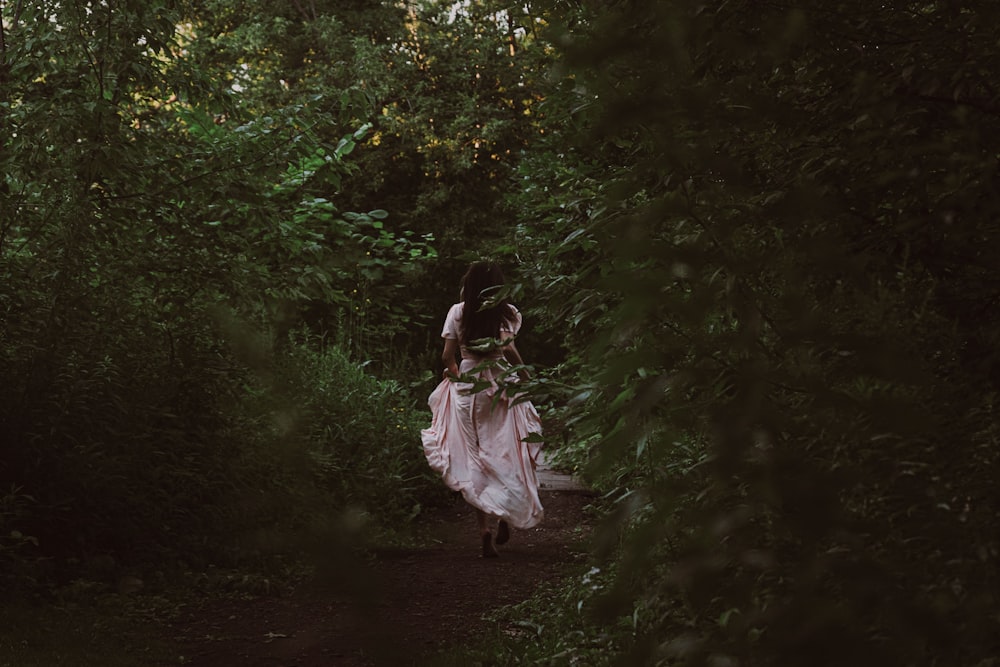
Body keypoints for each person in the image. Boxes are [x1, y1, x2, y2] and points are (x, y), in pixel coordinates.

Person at [421, 261, 544, 558]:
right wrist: (527, 378)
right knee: (506, 448)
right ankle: (504, 514)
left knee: (474, 454)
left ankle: (483, 529)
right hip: (501, 384)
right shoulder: (508, 313)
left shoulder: (458, 311)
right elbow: (509, 349)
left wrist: (456, 374)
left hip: (469, 387)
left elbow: (447, 356)